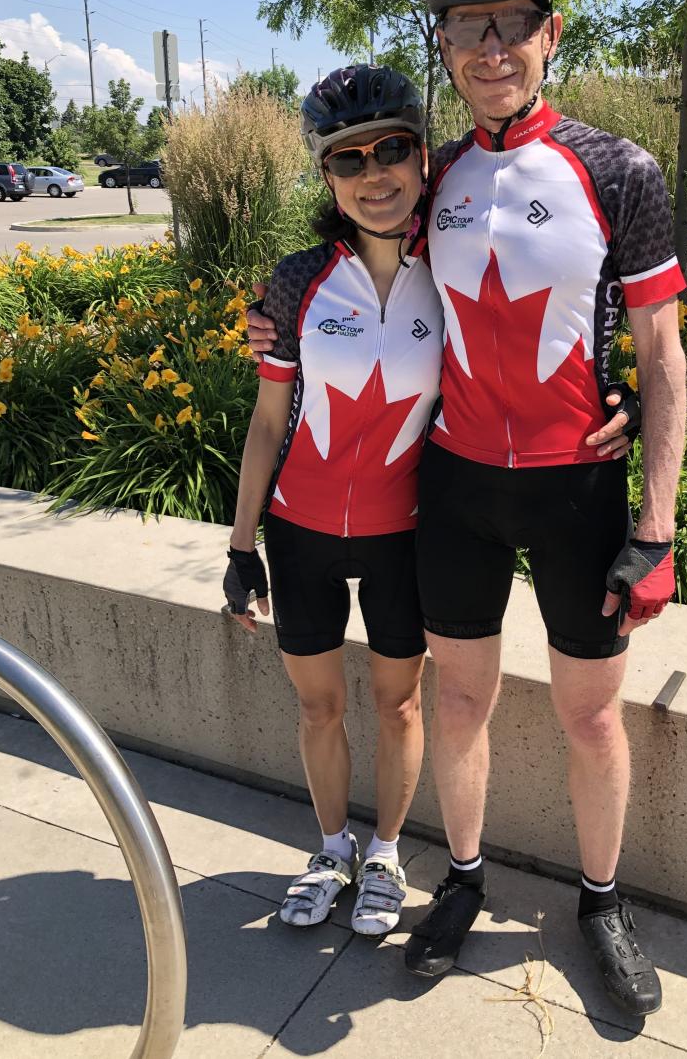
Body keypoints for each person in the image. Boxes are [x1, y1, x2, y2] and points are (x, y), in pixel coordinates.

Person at [247, 0, 684, 1017]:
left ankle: (599, 901)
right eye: (464, 25)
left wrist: (657, 523)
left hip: (575, 487)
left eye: (510, 22)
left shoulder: (614, 169)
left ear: (549, 30)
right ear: (439, 43)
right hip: (453, 491)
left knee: (589, 717)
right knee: (458, 709)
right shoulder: (427, 171)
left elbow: (661, 353)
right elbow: (352, 232)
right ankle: (466, 878)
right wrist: (274, 317)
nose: (489, 46)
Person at [224, 64, 443, 937]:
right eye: (348, 158)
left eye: (392, 148)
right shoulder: (295, 281)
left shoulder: (455, 271)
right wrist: (242, 545)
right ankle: (330, 846)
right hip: (302, 529)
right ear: (325, 177)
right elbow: (268, 417)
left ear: (423, 157)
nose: (374, 172)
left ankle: (384, 852)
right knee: (318, 705)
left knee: (399, 705)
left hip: (406, 535)